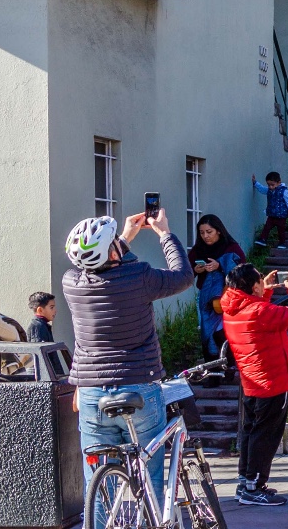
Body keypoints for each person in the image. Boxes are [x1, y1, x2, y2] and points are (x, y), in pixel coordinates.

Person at [63, 210, 194, 506]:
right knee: (150, 478)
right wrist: (164, 234)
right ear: (110, 252)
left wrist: (124, 237)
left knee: (97, 487)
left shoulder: (71, 283)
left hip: (92, 393)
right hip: (139, 387)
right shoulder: (140, 276)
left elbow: (100, 263)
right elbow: (183, 276)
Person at [220, 262, 288, 507]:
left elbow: (260, 312)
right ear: (252, 285)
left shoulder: (233, 308)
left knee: (250, 431)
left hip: (253, 381)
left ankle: (245, 482)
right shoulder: (257, 311)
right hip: (272, 382)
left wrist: (265, 290)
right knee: (265, 435)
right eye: (259, 280)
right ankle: (254, 486)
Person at [188, 214, 244, 359]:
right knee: (207, 332)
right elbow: (186, 272)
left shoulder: (230, 247)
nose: (206, 236)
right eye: (202, 233)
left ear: (218, 230)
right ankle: (212, 372)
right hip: (206, 299)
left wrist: (220, 266)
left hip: (227, 297)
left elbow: (243, 270)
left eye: (209, 232)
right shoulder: (198, 249)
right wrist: (195, 270)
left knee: (224, 332)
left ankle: (229, 366)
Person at [253, 169, 288, 250]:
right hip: (272, 214)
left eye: (272, 185)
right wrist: (255, 183)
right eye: (269, 185)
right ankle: (263, 239)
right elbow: (262, 189)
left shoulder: (284, 191)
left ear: (279, 182)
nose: (270, 187)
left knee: (281, 229)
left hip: (281, 215)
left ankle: (282, 242)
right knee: (267, 227)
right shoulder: (269, 190)